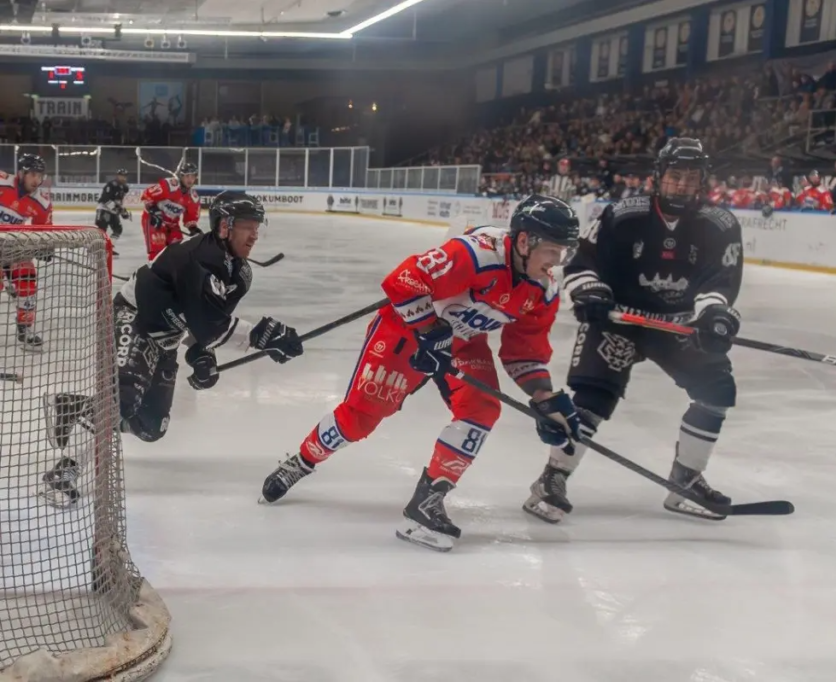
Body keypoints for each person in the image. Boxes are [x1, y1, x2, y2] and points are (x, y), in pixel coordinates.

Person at [258, 195, 582, 552]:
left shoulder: (543, 289)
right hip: (405, 329)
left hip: (463, 342)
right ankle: (302, 461)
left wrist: (544, 398)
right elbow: (405, 280)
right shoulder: (477, 252)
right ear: (525, 241)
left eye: (564, 252)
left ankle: (428, 501)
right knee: (361, 418)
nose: (558, 262)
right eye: (553, 250)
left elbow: (525, 350)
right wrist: (428, 330)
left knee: (483, 408)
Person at [522, 138, 744, 523]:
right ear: (659, 177)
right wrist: (591, 292)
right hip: (618, 320)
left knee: (716, 391)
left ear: (701, 181)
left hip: (680, 323)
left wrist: (714, 316)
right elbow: (581, 261)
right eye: (675, 176)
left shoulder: (719, 224)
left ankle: (686, 480)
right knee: (592, 397)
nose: (681, 185)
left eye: (690, 178)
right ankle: (552, 478)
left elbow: (721, 280)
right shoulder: (623, 214)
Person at [40, 192, 305, 508]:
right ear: (224, 226)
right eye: (248, 226)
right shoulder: (199, 260)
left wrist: (200, 353)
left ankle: (76, 407)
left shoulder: (239, 274)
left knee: (152, 427)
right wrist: (262, 335)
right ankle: (64, 471)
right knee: (122, 400)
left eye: (257, 226)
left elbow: (204, 321)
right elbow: (210, 327)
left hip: (166, 334)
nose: (255, 234)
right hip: (135, 317)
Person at [0, 153, 53, 349]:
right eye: (33, 175)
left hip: (14, 246)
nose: (37, 181)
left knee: (27, 278)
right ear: (21, 173)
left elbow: (45, 229)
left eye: (40, 176)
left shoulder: (41, 201)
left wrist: (45, 247)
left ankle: (24, 329)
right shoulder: (3, 183)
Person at [141, 162, 201, 261]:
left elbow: (190, 218)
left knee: (179, 252)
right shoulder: (169, 185)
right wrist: (153, 210)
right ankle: (154, 274)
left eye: (193, 176)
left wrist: (194, 229)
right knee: (158, 253)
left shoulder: (193, 198)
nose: (190, 179)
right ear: (181, 176)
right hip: (153, 221)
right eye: (187, 176)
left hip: (172, 225)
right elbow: (147, 194)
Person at [95, 168, 131, 250]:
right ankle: (96, 248)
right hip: (103, 209)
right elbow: (105, 199)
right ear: (117, 176)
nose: (123, 178)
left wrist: (123, 211)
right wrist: (116, 209)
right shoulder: (111, 185)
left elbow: (118, 201)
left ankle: (109, 247)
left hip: (112, 211)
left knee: (118, 229)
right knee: (101, 230)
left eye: (125, 176)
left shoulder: (124, 187)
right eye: (122, 176)